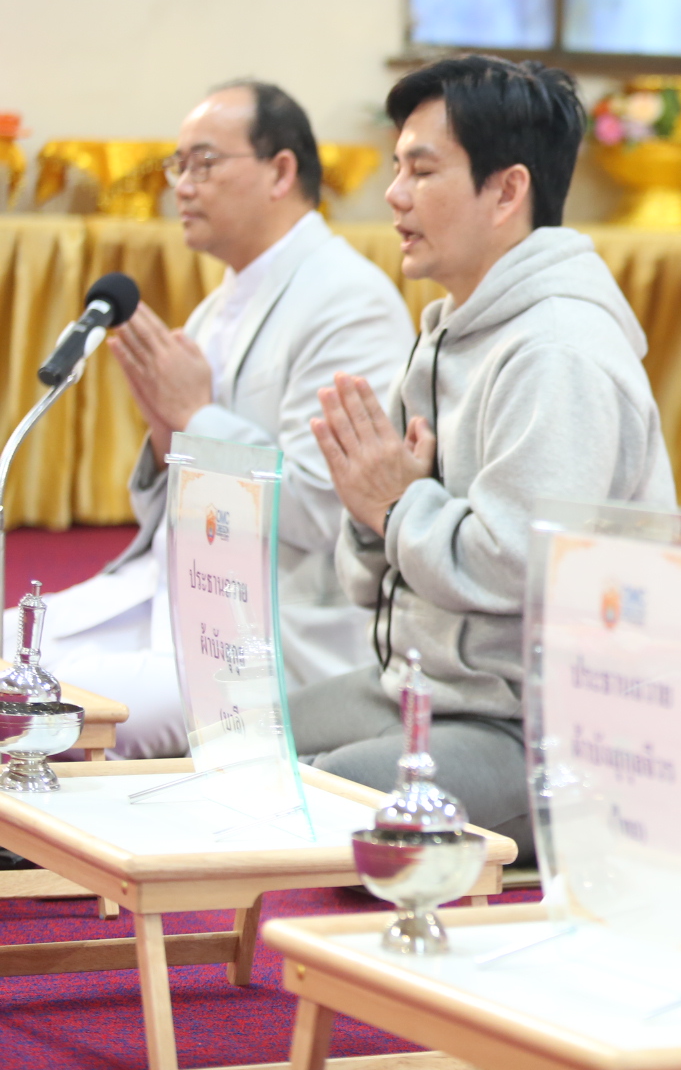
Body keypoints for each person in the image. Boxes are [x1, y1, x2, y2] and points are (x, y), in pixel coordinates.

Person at [292, 55, 674, 854]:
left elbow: (520, 569)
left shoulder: (556, 349)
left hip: (547, 733)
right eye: (396, 167)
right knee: (235, 742)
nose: (393, 195)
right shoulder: (447, 331)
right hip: (425, 689)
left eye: (422, 171)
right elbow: (373, 584)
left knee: (307, 802)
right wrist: (375, 512)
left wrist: (395, 505)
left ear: (507, 191)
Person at [3, 81, 412, 757]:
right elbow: (172, 504)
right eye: (177, 166)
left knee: (47, 704)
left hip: (266, 630)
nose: (181, 187)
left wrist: (193, 414)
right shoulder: (220, 304)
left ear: (281, 171)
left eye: (204, 164)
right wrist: (171, 436)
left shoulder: (351, 303)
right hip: (171, 592)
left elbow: (328, 511)